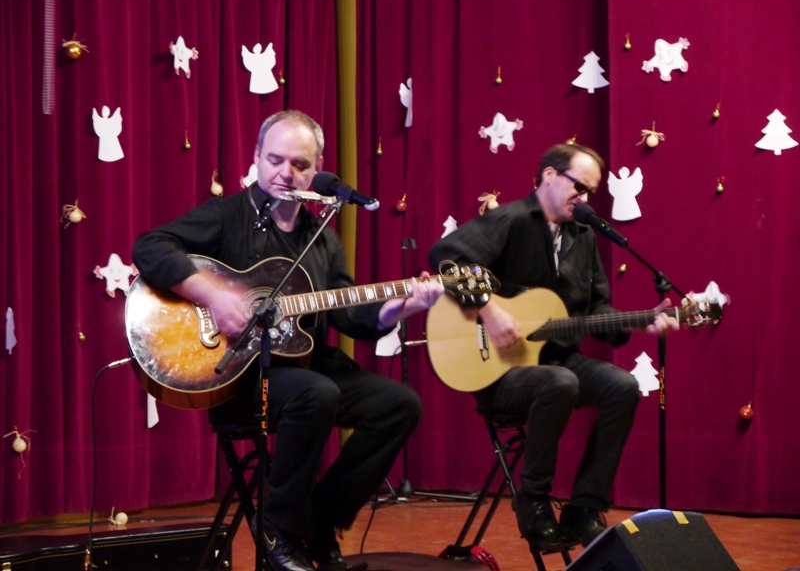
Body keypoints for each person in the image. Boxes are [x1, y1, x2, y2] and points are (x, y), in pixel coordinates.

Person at [132, 110, 444, 571]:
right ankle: (279, 531)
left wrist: (405, 306)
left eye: (299, 164)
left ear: (317, 169)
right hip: (237, 375)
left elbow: (350, 314)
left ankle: (321, 521)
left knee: (398, 404)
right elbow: (150, 247)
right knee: (316, 393)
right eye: (275, 160)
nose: (286, 173)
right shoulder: (227, 215)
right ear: (257, 157)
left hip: (304, 370)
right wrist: (213, 294)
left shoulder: (321, 240)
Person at [428, 143, 678, 551]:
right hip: (500, 370)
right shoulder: (510, 219)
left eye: (591, 193)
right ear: (549, 176)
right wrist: (490, 309)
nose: (585, 199)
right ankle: (534, 501)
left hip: (559, 358)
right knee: (560, 382)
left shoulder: (583, 236)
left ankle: (585, 508)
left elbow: (596, 309)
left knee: (622, 386)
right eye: (579, 187)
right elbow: (446, 255)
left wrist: (642, 321)